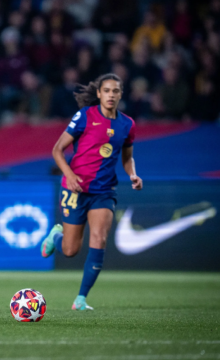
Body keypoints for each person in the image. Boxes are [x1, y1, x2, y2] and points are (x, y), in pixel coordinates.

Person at [41, 73, 143, 310]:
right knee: (69, 250)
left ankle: (81, 299)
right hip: (75, 188)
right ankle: (57, 235)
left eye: (115, 91)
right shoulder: (85, 116)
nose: (111, 95)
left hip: (104, 191)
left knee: (99, 238)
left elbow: (127, 158)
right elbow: (58, 150)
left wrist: (133, 174)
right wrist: (69, 174)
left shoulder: (127, 124)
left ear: (120, 95)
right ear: (99, 93)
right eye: (106, 90)